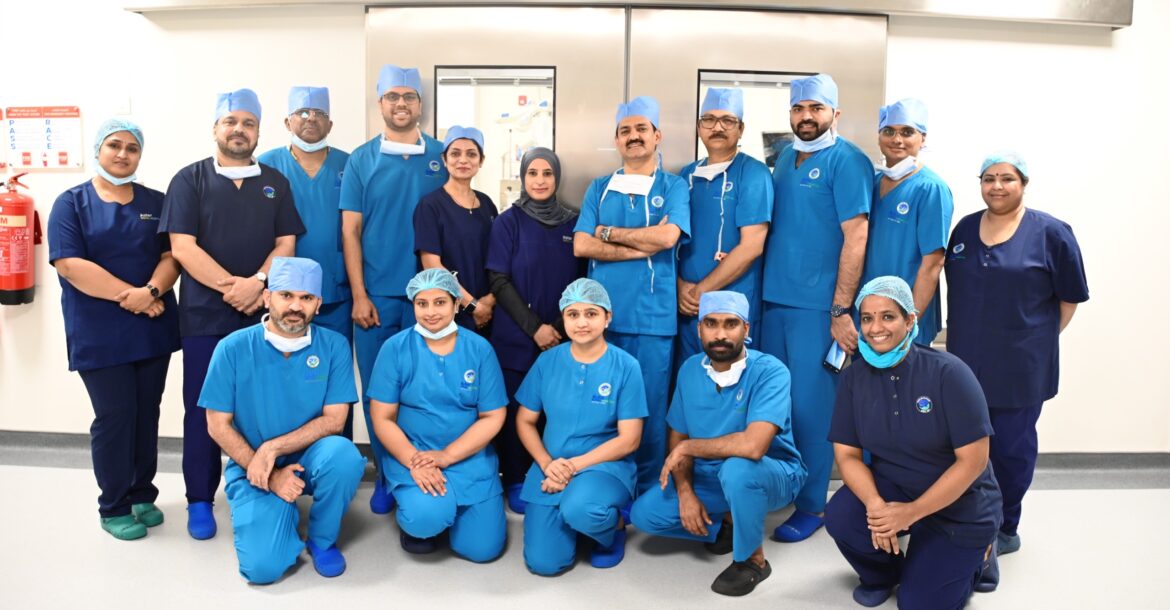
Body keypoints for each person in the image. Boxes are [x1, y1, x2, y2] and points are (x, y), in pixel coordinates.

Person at [160, 89, 304, 540]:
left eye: (248, 123)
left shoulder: (275, 183)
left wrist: (257, 283)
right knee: (203, 408)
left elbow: (285, 242)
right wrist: (234, 288)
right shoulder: (190, 180)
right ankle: (200, 500)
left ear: (259, 131)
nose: (239, 130)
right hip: (205, 316)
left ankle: (267, 483)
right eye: (231, 122)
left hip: (262, 314)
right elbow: (182, 248)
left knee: (266, 406)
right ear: (216, 129)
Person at [824, 276, 1002, 609]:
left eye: (888, 316)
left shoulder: (949, 373)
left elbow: (974, 461)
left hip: (960, 501)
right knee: (842, 515)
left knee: (918, 604)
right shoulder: (853, 379)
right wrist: (876, 506)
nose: (876, 327)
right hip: (897, 486)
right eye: (867, 318)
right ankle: (883, 573)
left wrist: (911, 513)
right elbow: (847, 455)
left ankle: (980, 557)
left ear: (909, 321)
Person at [944, 152, 1088, 560]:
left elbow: (1069, 299)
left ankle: (1005, 526)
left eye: (1007, 178)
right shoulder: (965, 229)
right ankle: (969, 518)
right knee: (964, 445)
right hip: (965, 363)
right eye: (988, 178)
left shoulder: (1051, 233)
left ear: (1023, 183)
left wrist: (1033, 340)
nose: (996, 186)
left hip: (1021, 367)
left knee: (1010, 449)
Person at [47, 118, 180, 540]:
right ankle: (114, 505)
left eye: (132, 148)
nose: (123, 154)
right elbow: (70, 265)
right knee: (115, 415)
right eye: (114, 145)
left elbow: (172, 256)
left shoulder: (157, 201)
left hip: (151, 328)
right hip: (100, 330)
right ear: (98, 150)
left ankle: (141, 493)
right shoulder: (71, 203)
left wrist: (152, 290)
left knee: (146, 412)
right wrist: (134, 297)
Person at [201, 257, 366, 583]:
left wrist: (273, 448)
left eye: (306, 298)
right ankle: (275, 510)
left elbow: (335, 421)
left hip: (310, 457)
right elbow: (217, 425)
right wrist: (271, 473)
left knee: (344, 457)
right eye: (286, 295)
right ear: (267, 298)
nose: (295, 306)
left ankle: (321, 540)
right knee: (262, 569)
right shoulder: (232, 349)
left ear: (318, 304)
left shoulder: (333, 346)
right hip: (253, 464)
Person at [632, 291, 805, 596]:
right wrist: (685, 492)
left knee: (738, 469)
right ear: (699, 329)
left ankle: (753, 560)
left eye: (731, 324)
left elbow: (753, 446)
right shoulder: (690, 370)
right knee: (645, 515)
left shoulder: (770, 372)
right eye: (711, 324)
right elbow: (678, 436)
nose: (721, 334)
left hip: (770, 473)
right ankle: (729, 521)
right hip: (710, 477)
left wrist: (688, 449)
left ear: (746, 329)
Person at [759, 73, 872, 542]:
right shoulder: (785, 158)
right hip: (774, 300)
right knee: (777, 404)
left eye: (816, 108)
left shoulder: (848, 162)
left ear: (834, 114)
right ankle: (785, 488)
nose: (806, 117)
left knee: (812, 409)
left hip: (817, 308)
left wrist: (840, 309)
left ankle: (812, 506)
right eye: (798, 108)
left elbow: (856, 236)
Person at [341, 65, 449, 514]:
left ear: (420, 104)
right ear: (380, 103)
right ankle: (388, 475)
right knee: (380, 390)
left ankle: (428, 468)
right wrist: (360, 294)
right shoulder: (361, 160)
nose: (400, 104)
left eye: (408, 96)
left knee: (429, 388)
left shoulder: (443, 155)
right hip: (378, 297)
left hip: (432, 297)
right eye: (392, 97)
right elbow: (350, 231)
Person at [574, 96, 690, 493]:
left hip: (653, 318)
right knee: (601, 407)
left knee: (650, 408)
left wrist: (608, 233)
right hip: (601, 320)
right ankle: (603, 482)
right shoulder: (599, 188)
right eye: (625, 131)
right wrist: (641, 247)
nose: (633, 136)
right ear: (616, 140)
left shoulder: (674, 187)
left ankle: (646, 490)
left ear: (657, 136)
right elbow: (582, 245)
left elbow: (668, 237)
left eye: (642, 129)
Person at [367, 268, 508, 562]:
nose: (430, 312)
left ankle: (448, 510)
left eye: (440, 302)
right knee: (425, 519)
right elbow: (382, 417)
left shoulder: (479, 349)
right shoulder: (395, 349)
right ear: (413, 305)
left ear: (456, 304)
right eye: (422, 303)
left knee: (483, 550)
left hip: (468, 458)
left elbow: (493, 416)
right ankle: (422, 517)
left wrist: (447, 456)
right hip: (414, 456)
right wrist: (413, 461)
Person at [515, 278, 646, 575]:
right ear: (563, 319)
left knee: (580, 509)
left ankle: (612, 525)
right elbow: (524, 420)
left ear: (607, 317)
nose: (582, 322)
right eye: (573, 314)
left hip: (603, 467)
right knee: (544, 563)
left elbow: (630, 440)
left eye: (591, 313)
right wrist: (547, 464)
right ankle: (577, 521)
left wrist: (572, 467)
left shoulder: (626, 367)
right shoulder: (547, 362)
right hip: (551, 466)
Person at [486, 147, 583, 514]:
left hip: (562, 336)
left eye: (547, 173)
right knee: (516, 411)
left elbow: (581, 283)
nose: (540, 181)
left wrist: (556, 328)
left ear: (557, 177)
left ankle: (549, 472)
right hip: (516, 336)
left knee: (554, 411)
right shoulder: (507, 223)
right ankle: (514, 477)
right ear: (523, 177)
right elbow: (498, 280)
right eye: (532, 173)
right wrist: (535, 329)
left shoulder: (574, 224)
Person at [257, 87, 357, 438]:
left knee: (335, 377)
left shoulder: (350, 164)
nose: (310, 118)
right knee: (283, 378)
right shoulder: (267, 164)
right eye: (302, 112)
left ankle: (338, 455)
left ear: (330, 123)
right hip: (283, 293)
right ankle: (283, 452)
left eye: (319, 113)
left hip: (337, 291)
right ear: (287, 122)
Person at [676, 88, 772, 364]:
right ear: (699, 127)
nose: (717, 127)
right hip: (687, 306)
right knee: (692, 375)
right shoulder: (686, 175)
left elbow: (752, 246)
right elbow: (672, 240)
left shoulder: (753, 174)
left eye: (728, 121)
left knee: (732, 377)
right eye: (709, 119)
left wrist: (700, 292)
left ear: (740, 129)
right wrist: (680, 287)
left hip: (733, 302)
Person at [863, 99, 953, 345]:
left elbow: (933, 263)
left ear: (922, 138)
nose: (897, 139)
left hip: (906, 316)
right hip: (869, 311)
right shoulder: (872, 182)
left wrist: (908, 323)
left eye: (907, 132)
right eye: (888, 131)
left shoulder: (931, 188)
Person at [414, 125, 498, 332]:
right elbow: (432, 264)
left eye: (471, 154)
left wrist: (490, 300)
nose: (463, 160)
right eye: (455, 153)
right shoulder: (430, 206)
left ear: (481, 161)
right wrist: (472, 305)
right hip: (448, 310)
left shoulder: (487, 204)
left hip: (488, 310)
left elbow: (499, 258)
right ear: (444, 159)